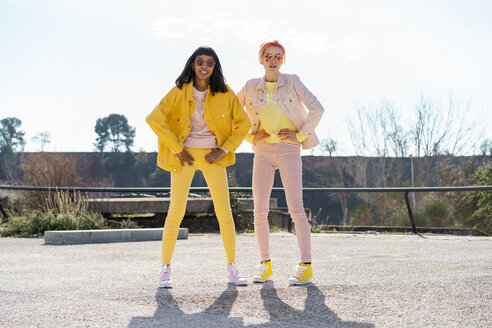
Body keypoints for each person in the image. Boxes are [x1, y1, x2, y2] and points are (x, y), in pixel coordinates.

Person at [146, 46, 251, 288]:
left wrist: (223, 150)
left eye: (210, 62)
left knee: (224, 211)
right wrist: (176, 148)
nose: (204, 66)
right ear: (192, 64)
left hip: (214, 156)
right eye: (200, 61)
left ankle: (232, 268)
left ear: (215, 67)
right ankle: (165, 270)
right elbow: (154, 118)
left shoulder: (226, 94)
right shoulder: (179, 91)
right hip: (185, 156)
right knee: (176, 211)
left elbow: (244, 124)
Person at [237, 40, 324, 285]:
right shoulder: (251, 86)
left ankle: (305, 266)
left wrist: (299, 136)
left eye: (278, 56)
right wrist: (250, 136)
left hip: (289, 149)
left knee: (296, 208)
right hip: (262, 150)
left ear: (282, 60)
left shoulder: (293, 81)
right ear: (261, 59)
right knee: (259, 210)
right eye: (268, 56)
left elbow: (317, 108)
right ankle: (265, 264)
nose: (273, 60)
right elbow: (231, 111)